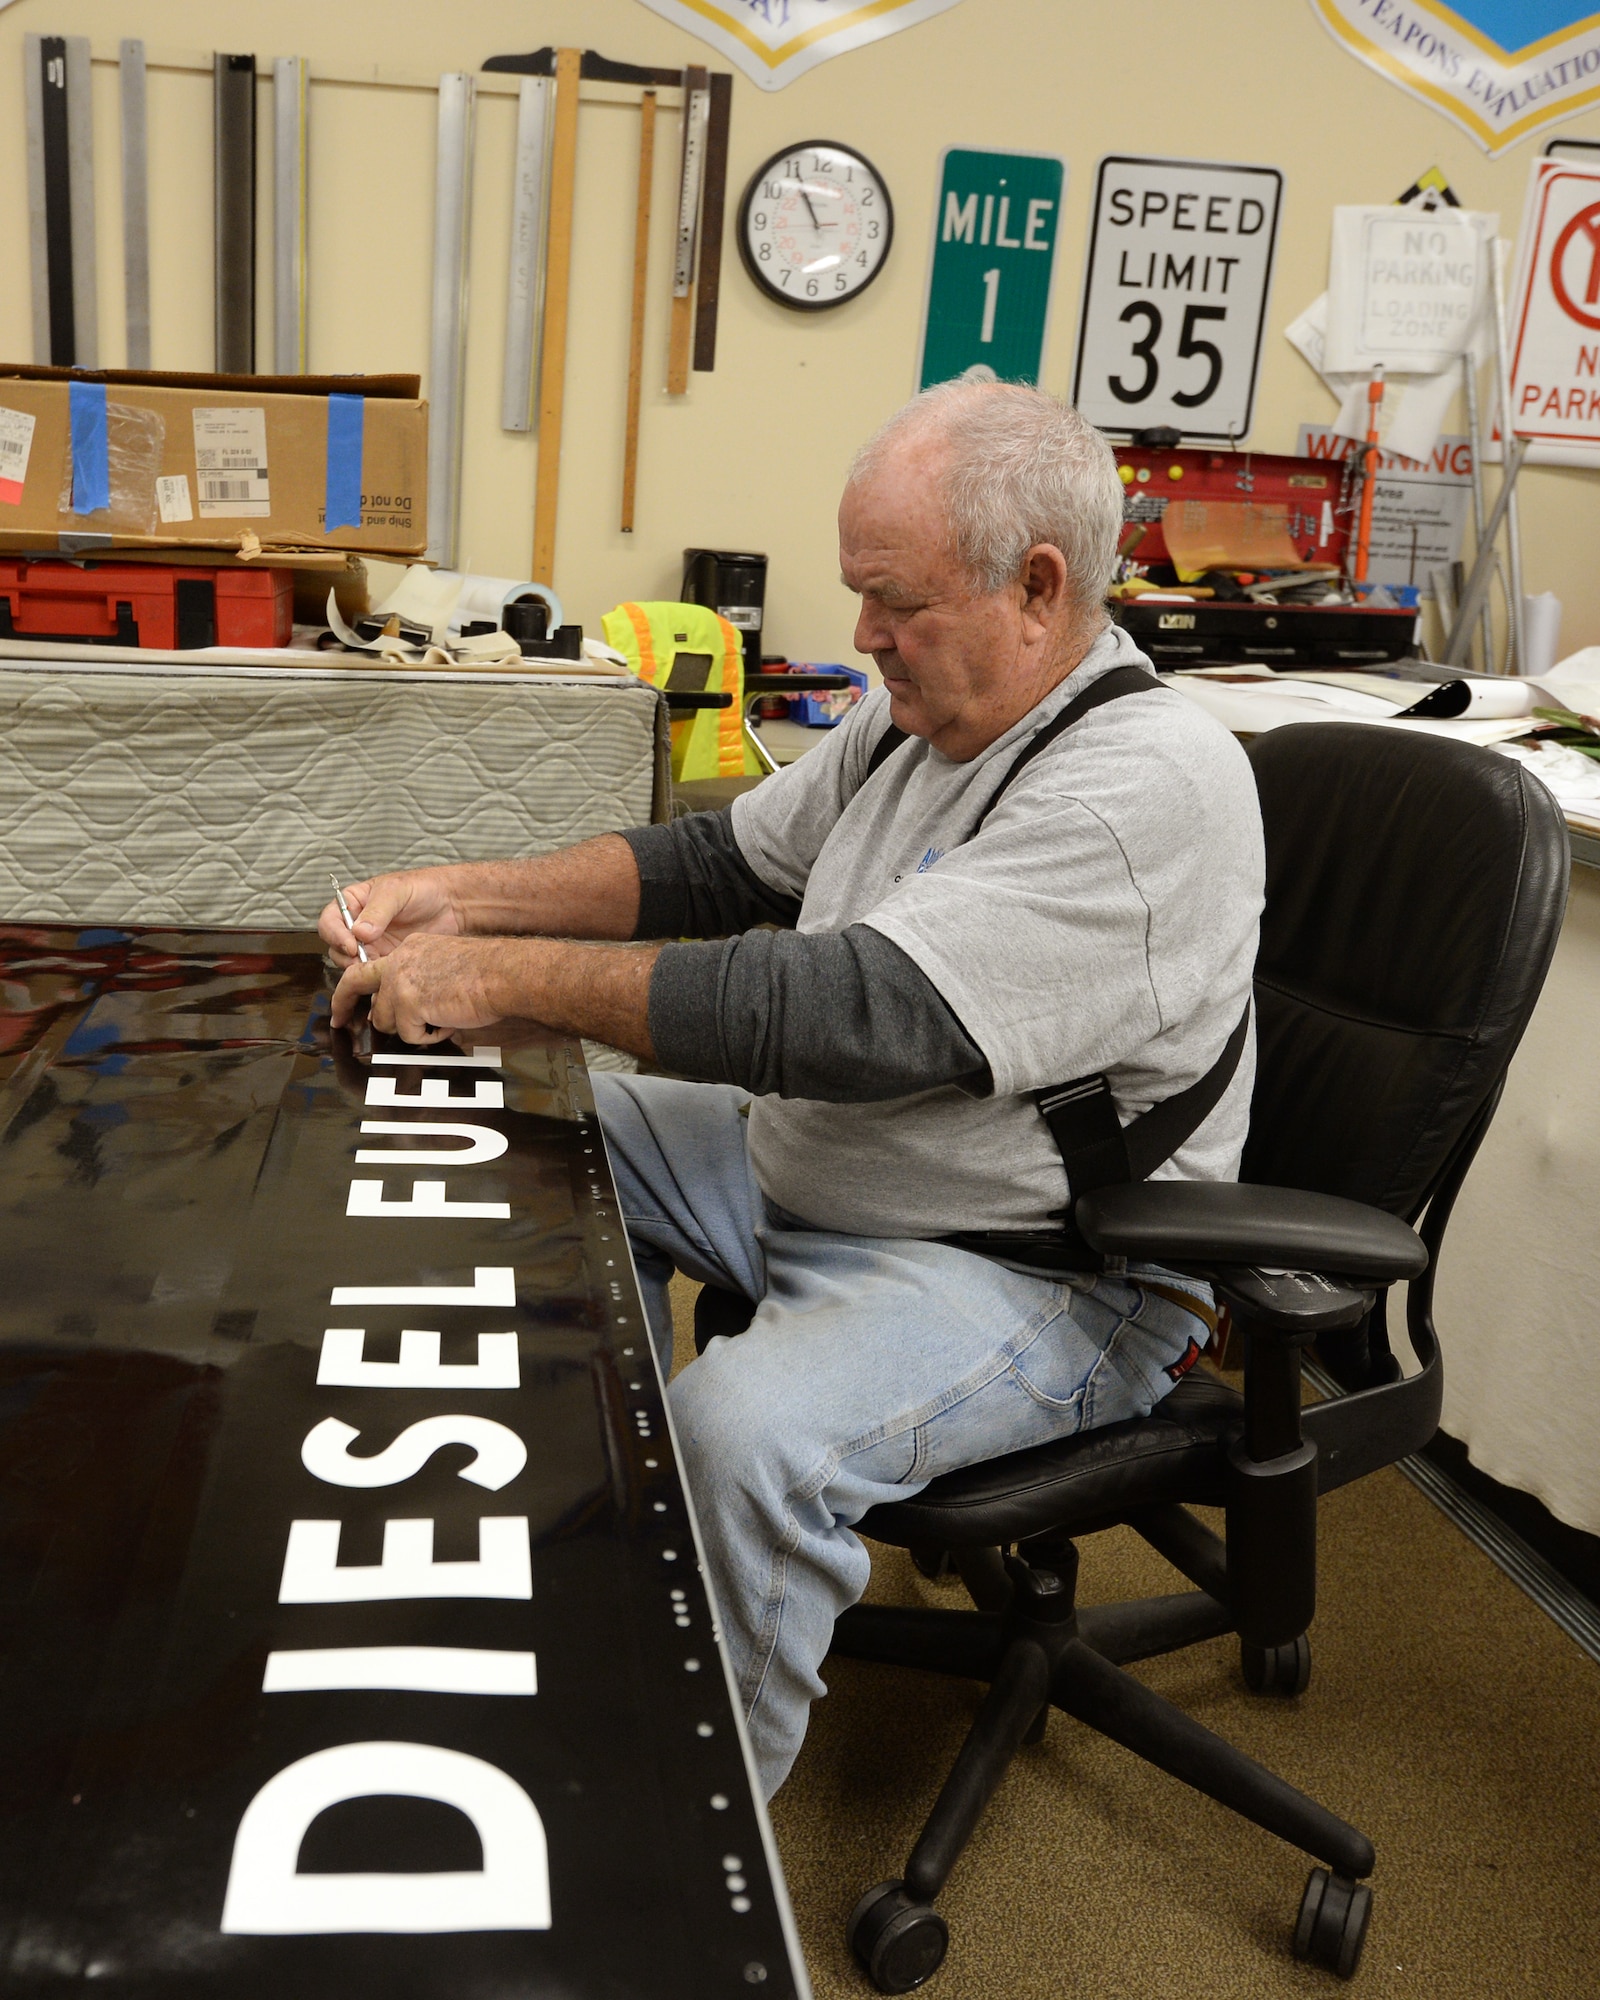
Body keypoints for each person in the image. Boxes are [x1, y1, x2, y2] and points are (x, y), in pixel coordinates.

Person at [320, 379, 1265, 1800]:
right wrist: (462, 894)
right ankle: (615, 1554)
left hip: (1041, 1266)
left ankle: (698, 1857)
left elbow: (847, 1016)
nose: (864, 635)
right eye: (859, 596)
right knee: (514, 1125)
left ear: (1039, 586)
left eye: (896, 601)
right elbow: (723, 868)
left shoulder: (1147, 787)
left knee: (741, 1435)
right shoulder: (927, 709)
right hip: (826, 1165)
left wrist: (502, 972)